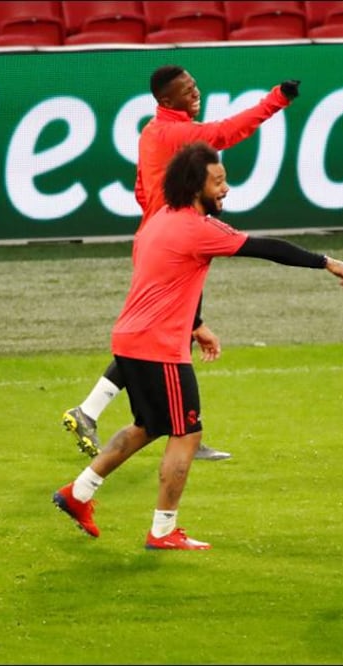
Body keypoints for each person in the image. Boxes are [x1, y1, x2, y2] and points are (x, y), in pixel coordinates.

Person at [53, 142, 343, 550]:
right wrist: (326, 261)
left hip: (131, 338)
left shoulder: (160, 220)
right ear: (194, 185)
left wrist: (197, 324)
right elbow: (265, 248)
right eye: (217, 182)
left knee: (149, 426)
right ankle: (163, 531)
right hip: (158, 346)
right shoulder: (197, 227)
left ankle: (77, 494)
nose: (226, 188)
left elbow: (171, 278)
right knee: (187, 432)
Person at [62, 65, 303, 462]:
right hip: (176, 244)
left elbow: (142, 186)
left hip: (158, 239)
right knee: (166, 333)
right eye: (186, 90)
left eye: (194, 85)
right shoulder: (176, 134)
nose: (196, 93)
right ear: (165, 100)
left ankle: (94, 411)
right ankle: (183, 428)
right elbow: (226, 133)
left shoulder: (151, 133)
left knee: (159, 332)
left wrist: (155, 218)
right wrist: (276, 100)